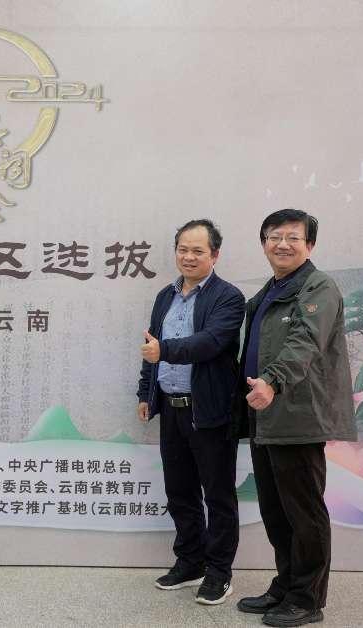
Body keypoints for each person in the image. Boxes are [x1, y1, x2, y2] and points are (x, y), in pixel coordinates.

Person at [234, 209, 357, 626]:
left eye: (293, 237)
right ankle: (285, 585)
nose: (282, 244)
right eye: (274, 236)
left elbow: (305, 341)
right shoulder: (270, 290)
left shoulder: (317, 286)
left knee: (304, 512)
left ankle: (307, 598)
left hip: (298, 416)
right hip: (265, 416)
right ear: (263, 243)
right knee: (275, 509)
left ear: (310, 245)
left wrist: (272, 380)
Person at [136, 219, 245, 605]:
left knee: (218, 495)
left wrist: (164, 351)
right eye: (183, 249)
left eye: (198, 250)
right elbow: (150, 347)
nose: (189, 256)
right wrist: (146, 392)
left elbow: (210, 343)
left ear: (215, 255)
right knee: (179, 491)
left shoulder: (228, 298)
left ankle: (219, 572)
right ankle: (190, 561)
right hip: (172, 409)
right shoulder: (165, 296)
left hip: (209, 412)